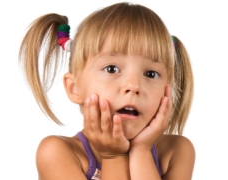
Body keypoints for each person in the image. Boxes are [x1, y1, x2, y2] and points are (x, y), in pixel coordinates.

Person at [19, 2, 195, 180]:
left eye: (151, 73)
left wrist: (141, 150)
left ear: (168, 91)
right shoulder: (57, 152)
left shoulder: (177, 151)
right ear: (74, 88)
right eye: (112, 69)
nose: (133, 86)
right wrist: (113, 156)